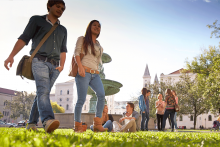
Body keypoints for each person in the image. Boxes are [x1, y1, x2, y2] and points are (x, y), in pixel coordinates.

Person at [4, 0, 67, 133]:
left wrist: (62, 66)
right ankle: (47, 120)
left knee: (42, 93)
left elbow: (63, 50)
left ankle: (31, 123)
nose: (60, 9)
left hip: (55, 67)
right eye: (58, 6)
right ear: (49, 6)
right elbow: (24, 38)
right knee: (43, 91)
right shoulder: (37, 20)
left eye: (62, 8)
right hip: (39, 61)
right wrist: (11, 56)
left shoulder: (63, 29)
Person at [73, 20, 107, 132]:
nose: (97, 27)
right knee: (81, 100)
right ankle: (78, 126)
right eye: (94, 25)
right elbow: (76, 53)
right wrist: (80, 67)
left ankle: (97, 124)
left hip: (95, 74)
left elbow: (98, 61)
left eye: (99, 26)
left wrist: (97, 70)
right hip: (84, 71)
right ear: (89, 27)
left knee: (101, 95)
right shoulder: (82, 39)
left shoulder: (98, 45)